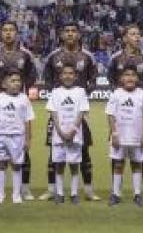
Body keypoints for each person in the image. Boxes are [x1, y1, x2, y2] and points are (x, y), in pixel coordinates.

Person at [40, 21, 99, 202]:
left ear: (79, 34)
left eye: (74, 31)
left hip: (79, 112)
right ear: (62, 35)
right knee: (54, 152)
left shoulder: (87, 56)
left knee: (84, 151)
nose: (71, 34)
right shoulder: (53, 56)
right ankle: (52, 190)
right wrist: (57, 95)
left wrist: (80, 96)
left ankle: (88, 190)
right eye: (67, 31)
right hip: (59, 112)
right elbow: (47, 78)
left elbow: (93, 79)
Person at [107, 24, 143, 203]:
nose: (137, 37)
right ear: (125, 37)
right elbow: (111, 79)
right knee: (117, 153)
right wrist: (122, 94)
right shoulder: (115, 59)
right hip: (121, 115)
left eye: (139, 34)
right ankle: (116, 191)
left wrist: (142, 95)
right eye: (133, 34)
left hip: (140, 111)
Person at [0, 21, 37, 200]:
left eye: (11, 30)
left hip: (19, 104)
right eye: (5, 30)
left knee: (23, 152)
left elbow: (32, 76)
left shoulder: (26, 54)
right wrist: (1, 90)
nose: (8, 33)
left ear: (17, 33)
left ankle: (24, 188)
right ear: (1, 33)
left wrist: (20, 90)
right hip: (1, 103)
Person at [106, 66, 143, 208]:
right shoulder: (116, 94)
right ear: (121, 78)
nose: (130, 78)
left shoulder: (142, 94)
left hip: (137, 137)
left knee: (137, 164)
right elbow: (110, 114)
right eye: (126, 75)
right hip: (120, 137)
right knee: (118, 165)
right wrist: (114, 133)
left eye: (133, 75)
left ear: (137, 79)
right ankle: (115, 194)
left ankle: (137, 194)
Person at [0, 70, 35, 204]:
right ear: (4, 83)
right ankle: (0, 194)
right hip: (0, 136)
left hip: (17, 137)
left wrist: (28, 139)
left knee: (16, 165)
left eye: (18, 81)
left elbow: (28, 120)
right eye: (12, 81)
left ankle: (16, 195)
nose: (16, 84)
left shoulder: (24, 99)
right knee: (1, 164)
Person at [45, 64, 90, 204]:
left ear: (75, 76)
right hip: (59, 135)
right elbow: (53, 113)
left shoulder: (80, 92)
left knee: (74, 164)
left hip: (74, 135)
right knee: (59, 164)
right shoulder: (56, 92)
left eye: (71, 73)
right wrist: (59, 131)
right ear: (60, 76)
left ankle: (74, 193)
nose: (68, 76)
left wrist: (72, 131)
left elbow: (81, 113)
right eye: (65, 73)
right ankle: (59, 193)